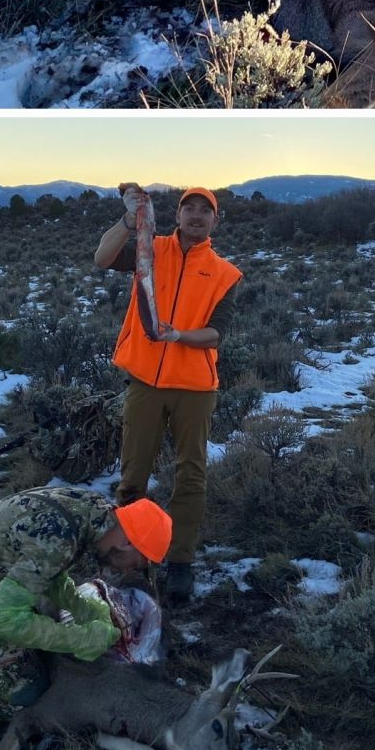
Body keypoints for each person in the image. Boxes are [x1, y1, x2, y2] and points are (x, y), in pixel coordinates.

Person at [95, 185, 242, 604]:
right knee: (133, 474)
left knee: (190, 474)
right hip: (145, 381)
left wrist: (178, 336)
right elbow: (102, 258)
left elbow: (218, 333)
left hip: (194, 387)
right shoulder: (149, 247)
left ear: (215, 221)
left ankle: (179, 562)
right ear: (177, 215)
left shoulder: (225, 273)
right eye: (188, 208)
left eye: (205, 211)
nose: (196, 215)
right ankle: (127, 550)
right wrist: (129, 221)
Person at [0, 487, 171, 722]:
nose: (129, 570)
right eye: (137, 564)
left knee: (38, 652)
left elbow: (47, 570)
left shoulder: (93, 512)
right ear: (128, 543)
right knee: (25, 696)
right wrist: (78, 638)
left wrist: (80, 606)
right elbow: (1, 618)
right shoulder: (60, 538)